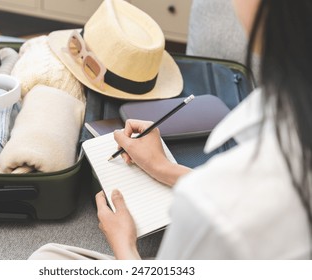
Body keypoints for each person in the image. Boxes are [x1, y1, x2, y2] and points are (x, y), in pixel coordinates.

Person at [29, 0, 311, 259]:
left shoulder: (214, 207)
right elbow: (254, 199)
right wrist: (164, 168)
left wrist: (124, 244)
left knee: (46, 259)